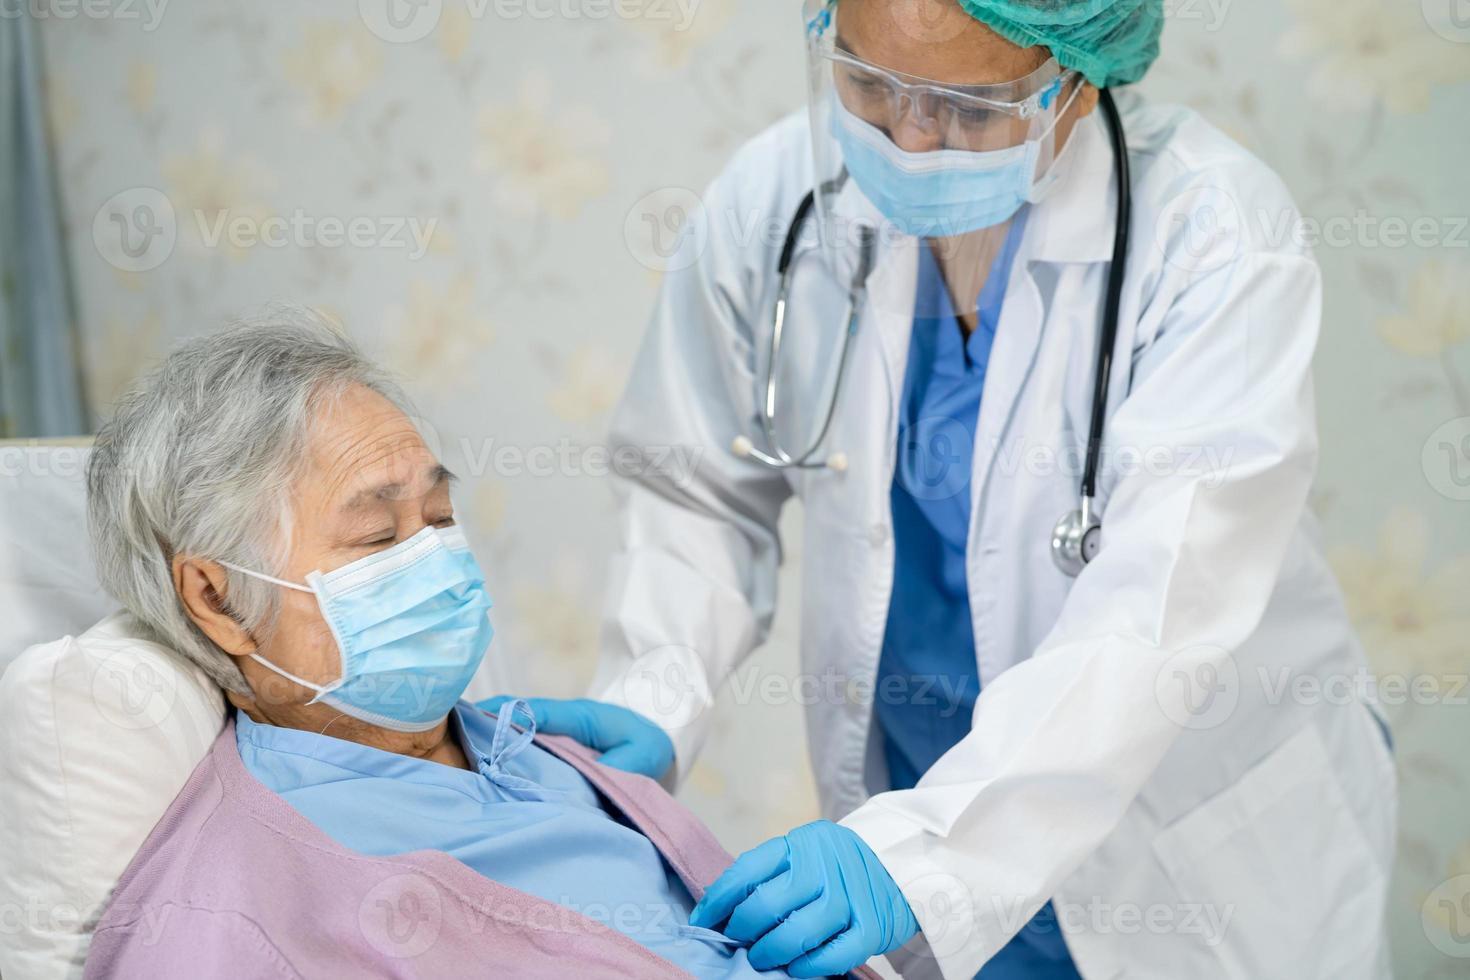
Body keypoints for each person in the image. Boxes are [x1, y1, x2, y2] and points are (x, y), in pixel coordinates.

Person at [489, 1, 1398, 978]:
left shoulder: (1213, 235)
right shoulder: (775, 205)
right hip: (916, 819)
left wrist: (923, 857)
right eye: (868, 83)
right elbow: (699, 485)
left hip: (1187, 852)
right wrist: (657, 688)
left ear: (1077, 74)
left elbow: (1160, 609)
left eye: (968, 105)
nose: (911, 137)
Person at [81, 310, 876, 979]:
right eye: (376, 535)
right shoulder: (223, 920)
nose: (434, 561)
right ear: (217, 598)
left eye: (436, 519)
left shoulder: (529, 749)